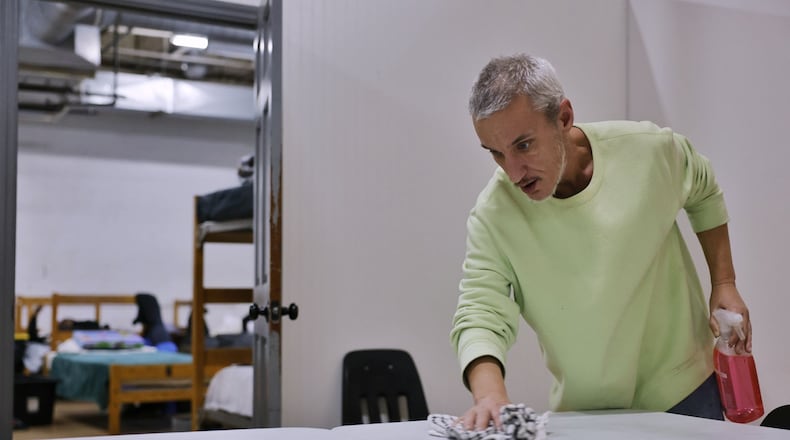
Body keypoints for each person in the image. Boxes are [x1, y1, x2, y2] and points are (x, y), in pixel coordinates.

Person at [450, 54, 753, 430]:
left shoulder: (648, 150)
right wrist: (489, 395)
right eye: (496, 152)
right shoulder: (494, 214)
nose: (512, 171)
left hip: (685, 392)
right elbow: (480, 313)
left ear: (563, 117)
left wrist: (724, 282)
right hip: (586, 411)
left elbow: (702, 188)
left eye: (523, 145)